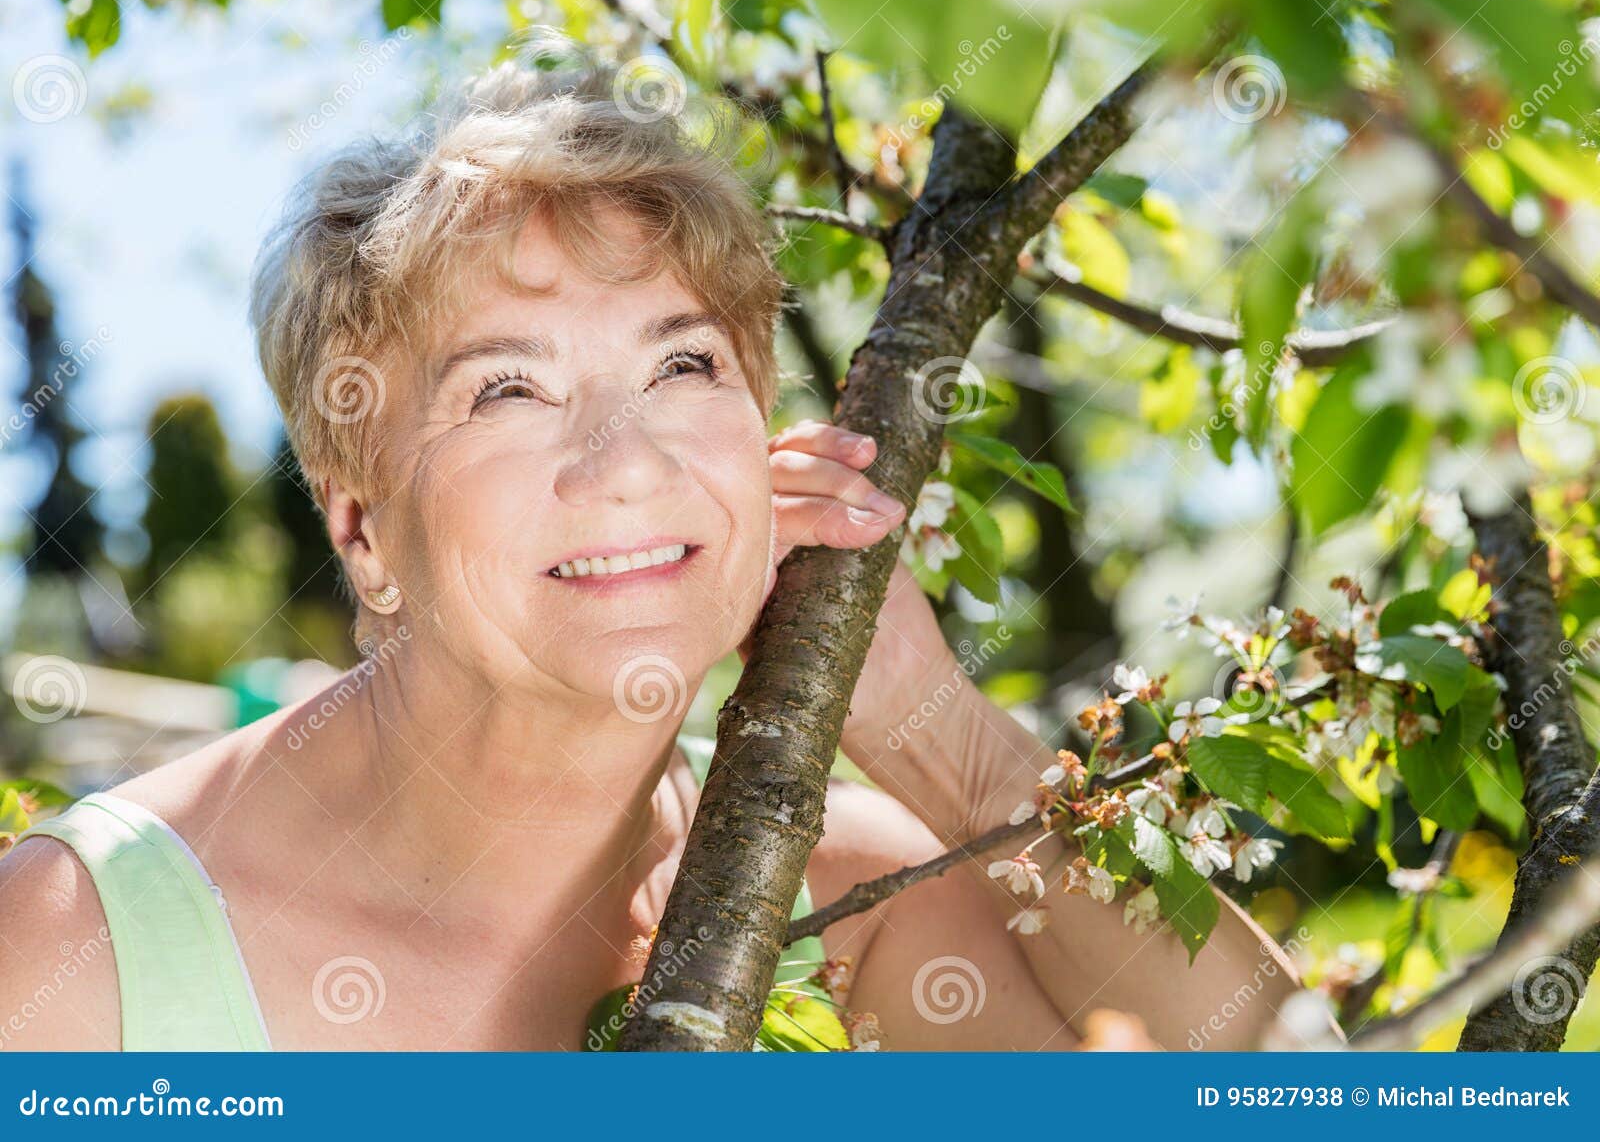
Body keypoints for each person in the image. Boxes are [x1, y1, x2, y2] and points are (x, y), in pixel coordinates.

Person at [0, 56, 1299, 1051]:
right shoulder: (71, 949)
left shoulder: (845, 902)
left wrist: (929, 723)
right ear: (360, 530)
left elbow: (1298, 1074)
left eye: (683, 364)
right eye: (505, 391)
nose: (626, 460)